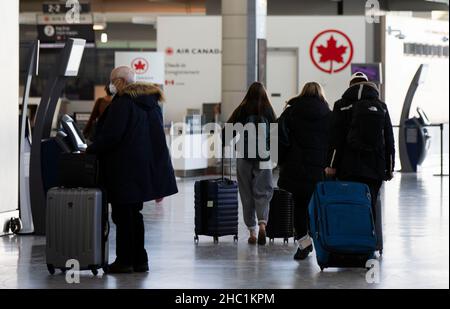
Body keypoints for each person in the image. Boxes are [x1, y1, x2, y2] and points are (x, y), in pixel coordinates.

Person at [87, 66, 178, 274]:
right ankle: (140, 260)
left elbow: (111, 136)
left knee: (123, 216)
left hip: (123, 169)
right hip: (141, 170)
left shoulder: (123, 104)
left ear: (119, 81)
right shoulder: (151, 103)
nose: (110, 85)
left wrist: (91, 149)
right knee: (134, 215)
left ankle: (125, 261)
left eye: (112, 81)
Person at [325, 72, 395, 221]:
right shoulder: (381, 106)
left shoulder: (341, 105)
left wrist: (331, 165)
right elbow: (389, 139)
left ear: (350, 86)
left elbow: (335, 138)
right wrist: (389, 169)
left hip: (348, 166)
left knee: (350, 203)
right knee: (371, 203)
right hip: (375, 167)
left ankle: (351, 238)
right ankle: (370, 239)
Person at [277, 82, 331, 260]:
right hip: (320, 169)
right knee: (319, 207)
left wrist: (282, 160)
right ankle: (326, 243)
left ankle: (304, 244)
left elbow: (279, 136)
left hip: (296, 168)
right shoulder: (328, 113)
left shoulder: (291, 111)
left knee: (299, 207)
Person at [225, 82, 277, 246]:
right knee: (263, 191)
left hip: (244, 156)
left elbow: (227, 131)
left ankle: (252, 231)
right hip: (264, 156)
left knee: (246, 193)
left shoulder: (242, 109)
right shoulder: (268, 110)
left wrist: (231, 144)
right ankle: (263, 223)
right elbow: (276, 135)